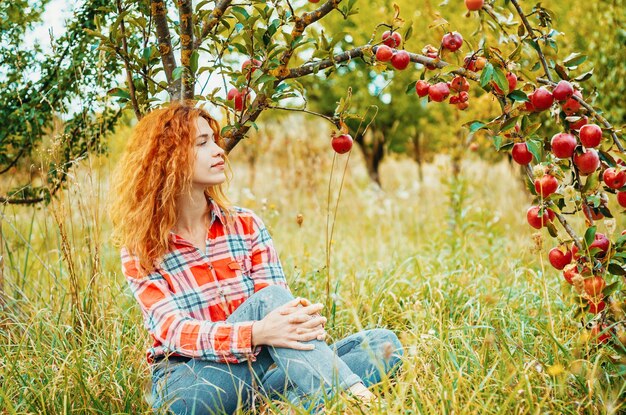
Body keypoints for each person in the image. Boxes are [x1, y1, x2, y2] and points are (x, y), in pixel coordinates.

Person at [108, 101, 404, 414]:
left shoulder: (246, 225)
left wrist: (300, 323)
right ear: (168, 158)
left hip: (259, 373)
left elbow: (281, 313)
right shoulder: (141, 247)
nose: (219, 151)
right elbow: (173, 330)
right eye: (202, 143)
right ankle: (357, 401)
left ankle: (285, 407)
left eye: (216, 140)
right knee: (271, 301)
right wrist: (258, 333)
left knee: (381, 345)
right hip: (190, 387)